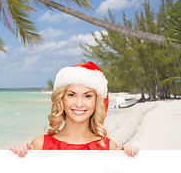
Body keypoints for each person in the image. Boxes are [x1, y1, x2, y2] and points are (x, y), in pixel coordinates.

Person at [10, 61, 139, 157]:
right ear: (62, 99)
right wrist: (15, 156)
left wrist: (129, 158)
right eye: (72, 95)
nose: (79, 103)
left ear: (96, 102)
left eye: (87, 96)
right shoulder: (40, 145)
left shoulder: (109, 147)